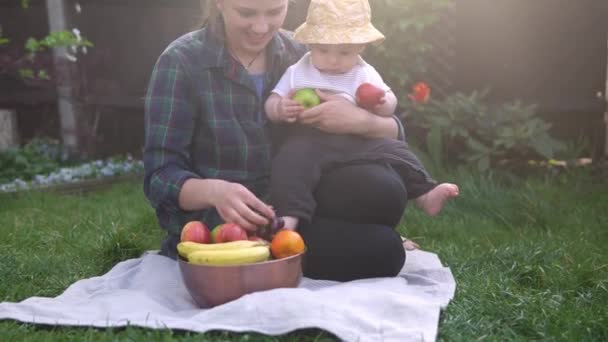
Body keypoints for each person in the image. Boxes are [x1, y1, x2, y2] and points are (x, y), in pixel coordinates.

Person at [143, 0, 453, 281]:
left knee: (387, 191)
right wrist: (214, 191)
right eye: (246, 13)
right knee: (385, 251)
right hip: (231, 223)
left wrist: (361, 120)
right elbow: (160, 174)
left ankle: (336, 232)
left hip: (303, 200)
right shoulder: (182, 62)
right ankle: (335, 237)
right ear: (219, 4)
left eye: (275, 11)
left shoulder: (309, 50)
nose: (261, 27)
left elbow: (392, 131)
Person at [264, 0, 459, 231]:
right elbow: (272, 101)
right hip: (309, 141)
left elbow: (390, 103)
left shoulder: (363, 73)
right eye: (323, 50)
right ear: (310, 44)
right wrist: (280, 108)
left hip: (359, 140)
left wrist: (380, 102)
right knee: (290, 163)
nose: (333, 60)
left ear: (361, 48)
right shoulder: (298, 71)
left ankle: (425, 192)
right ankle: (290, 215)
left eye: (344, 52)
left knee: (398, 151)